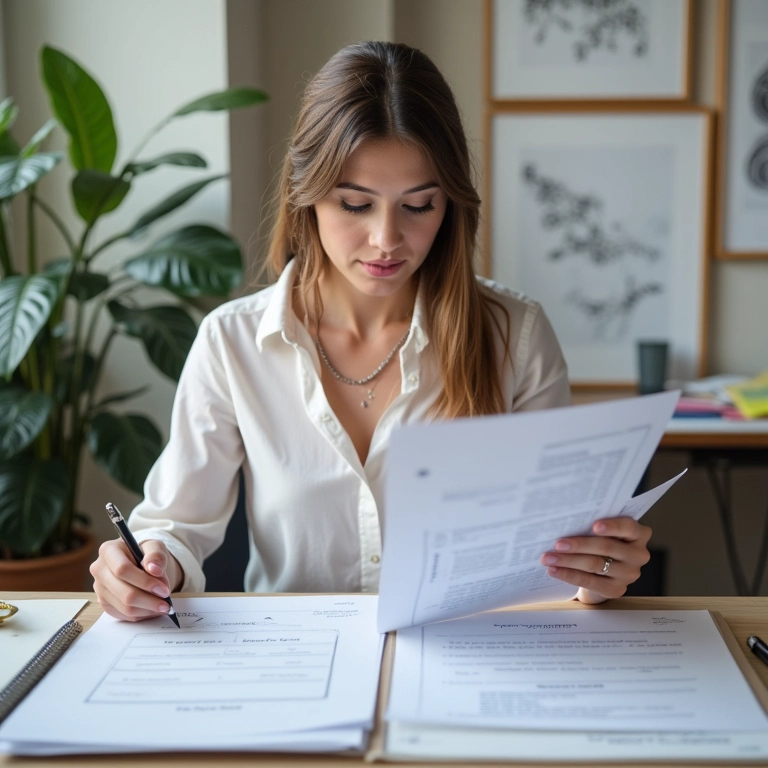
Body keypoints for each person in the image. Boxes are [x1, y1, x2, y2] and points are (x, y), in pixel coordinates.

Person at [91, 41, 651, 622]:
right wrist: (149, 565)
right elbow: (177, 526)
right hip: (295, 661)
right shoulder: (233, 342)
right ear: (306, 197)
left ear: (450, 207)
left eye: (419, 206)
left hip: (470, 657)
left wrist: (596, 572)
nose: (387, 239)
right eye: (356, 204)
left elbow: (560, 548)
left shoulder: (516, 334)